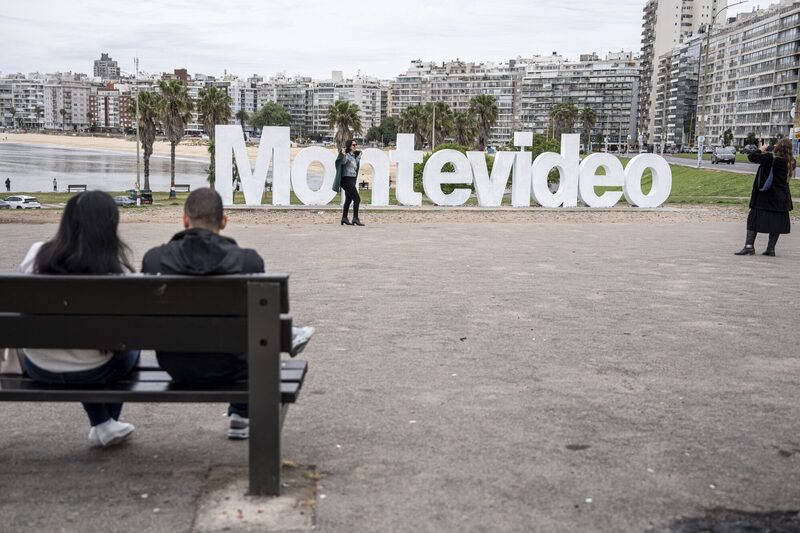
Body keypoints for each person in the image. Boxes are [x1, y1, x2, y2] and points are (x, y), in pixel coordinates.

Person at [141, 188, 313, 440]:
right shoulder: (248, 262)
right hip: (235, 367)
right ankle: (241, 414)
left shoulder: (154, 260)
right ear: (223, 221)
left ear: (185, 219)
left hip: (175, 364)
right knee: (255, 346)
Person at [18, 191, 139, 447]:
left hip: (38, 365)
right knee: (129, 348)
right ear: (110, 225)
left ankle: (104, 424)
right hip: (94, 370)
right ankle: (105, 423)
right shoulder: (115, 272)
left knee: (81, 344)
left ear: (66, 221)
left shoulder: (35, 255)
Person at [735, 139, 795, 256]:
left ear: (777, 148)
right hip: (781, 198)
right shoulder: (791, 162)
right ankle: (771, 249)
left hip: (764, 198)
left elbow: (751, 157)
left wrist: (760, 149)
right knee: (776, 224)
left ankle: (749, 246)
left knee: (753, 220)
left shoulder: (769, 158)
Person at [333, 139, 364, 226]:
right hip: (346, 180)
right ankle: (355, 218)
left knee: (348, 200)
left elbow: (356, 165)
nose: (355, 146)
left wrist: (359, 156)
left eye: (356, 145)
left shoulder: (354, 156)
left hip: (352, 179)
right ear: (349, 146)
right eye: (353, 145)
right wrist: (343, 155)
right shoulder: (347, 156)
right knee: (357, 199)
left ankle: (344, 218)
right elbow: (343, 162)